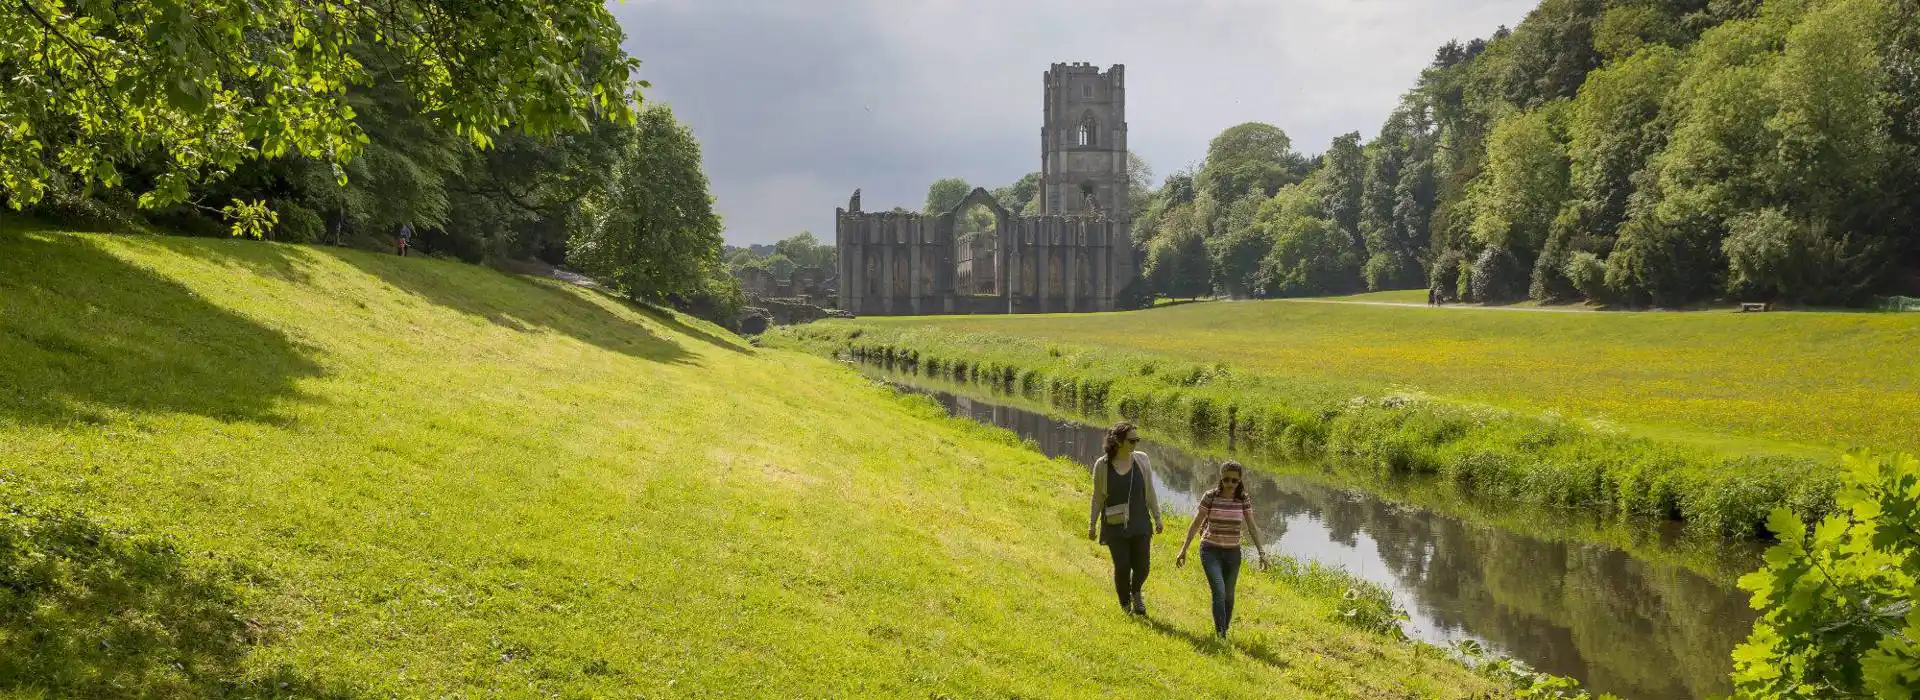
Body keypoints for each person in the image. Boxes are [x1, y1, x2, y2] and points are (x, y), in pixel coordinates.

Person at [1175, 460, 1270, 638]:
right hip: (1210, 550)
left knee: (1229, 595)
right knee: (1219, 590)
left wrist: (1261, 553)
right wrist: (1184, 549)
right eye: (1226, 479)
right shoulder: (1210, 496)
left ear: (1240, 481)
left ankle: (1223, 629)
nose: (1230, 484)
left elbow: (1252, 526)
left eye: (1234, 481)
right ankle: (1221, 635)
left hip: (1232, 553)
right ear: (1221, 478)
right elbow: (1196, 524)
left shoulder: (1243, 499)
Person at [1087, 421, 1162, 616]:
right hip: (1114, 525)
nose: (1136, 443)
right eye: (1132, 440)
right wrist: (1092, 525)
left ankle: (1136, 591)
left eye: (1138, 439)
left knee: (1143, 567)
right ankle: (1125, 604)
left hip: (1140, 523)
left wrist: (1157, 517)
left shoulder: (1142, 460)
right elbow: (1098, 497)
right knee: (1122, 566)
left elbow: (1150, 491)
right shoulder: (1102, 466)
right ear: (1118, 442)